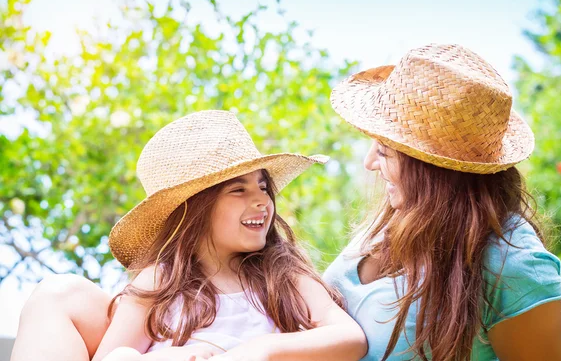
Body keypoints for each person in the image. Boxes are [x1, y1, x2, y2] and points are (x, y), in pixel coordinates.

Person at [11, 110, 367, 361]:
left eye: (263, 187)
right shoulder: (160, 283)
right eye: (238, 191)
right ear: (194, 210)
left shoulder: (281, 273)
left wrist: (261, 350)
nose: (262, 201)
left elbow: (350, 339)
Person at [323, 43, 561, 361]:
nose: (370, 162)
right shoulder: (396, 217)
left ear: (429, 168)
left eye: (384, 150)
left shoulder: (511, 264)